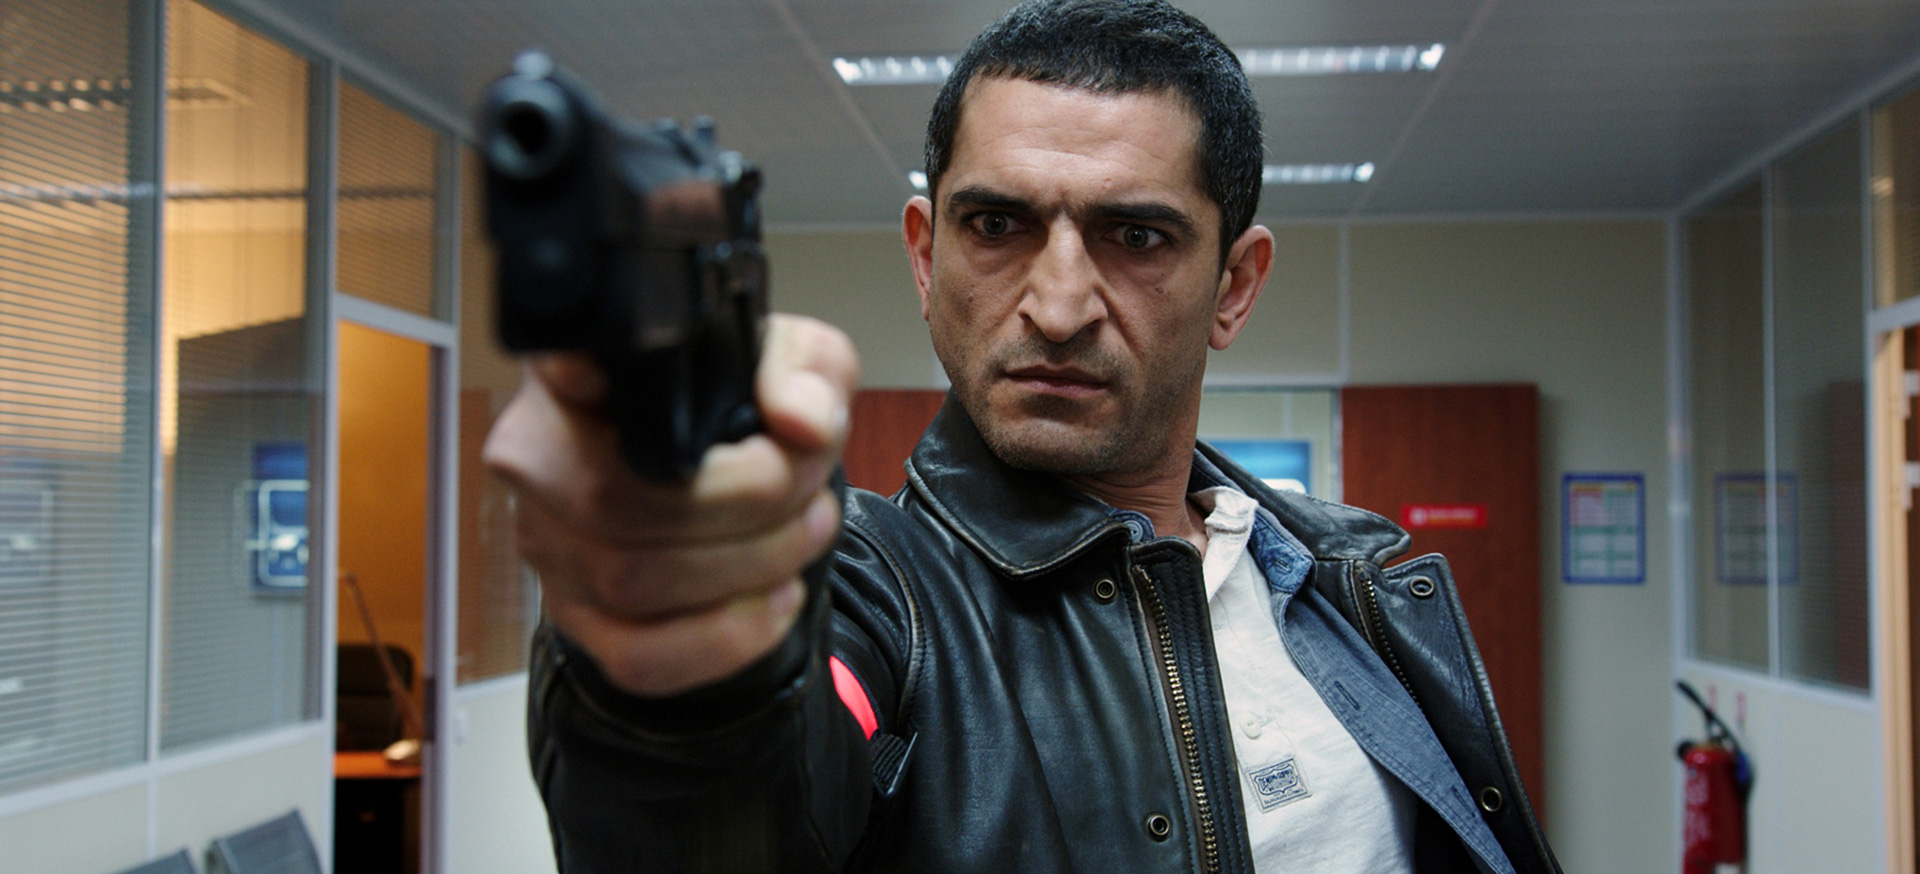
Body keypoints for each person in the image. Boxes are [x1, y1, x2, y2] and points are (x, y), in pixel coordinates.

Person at [483, 1, 1562, 871]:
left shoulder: (1344, 575)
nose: (1057, 304)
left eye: (1135, 235)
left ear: (1234, 286)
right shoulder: (869, 595)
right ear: (925, 256)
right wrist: (687, 679)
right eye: (997, 225)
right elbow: (733, 810)